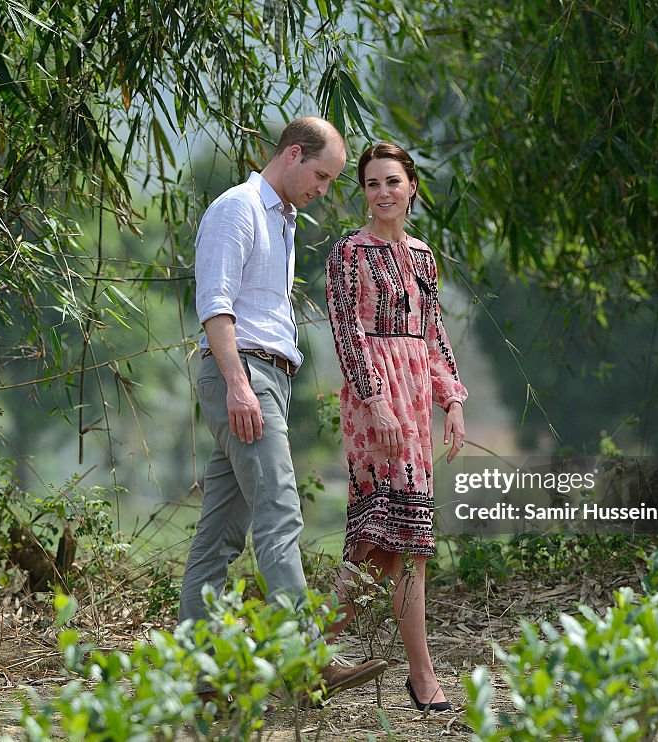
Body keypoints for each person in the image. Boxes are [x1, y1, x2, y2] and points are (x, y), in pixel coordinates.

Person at [179, 116, 389, 698]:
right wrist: (240, 384)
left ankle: (199, 673)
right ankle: (307, 659)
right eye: (321, 175)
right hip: (242, 376)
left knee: (220, 535)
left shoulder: (284, 219)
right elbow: (215, 306)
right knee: (280, 511)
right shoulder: (237, 208)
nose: (324, 188)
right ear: (293, 154)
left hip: (264, 377)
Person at [325, 142, 467, 712]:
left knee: (399, 548)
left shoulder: (424, 257)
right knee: (376, 543)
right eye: (371, 183)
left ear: (412, 187)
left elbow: (432, 334)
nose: (382, 192)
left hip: (415, 403)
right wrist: (376, 401)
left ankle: (316, 659)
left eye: (391, 181)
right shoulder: (348, 254)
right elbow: (346, 333)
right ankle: (417, 676)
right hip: (373, 406)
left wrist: (451, 399)